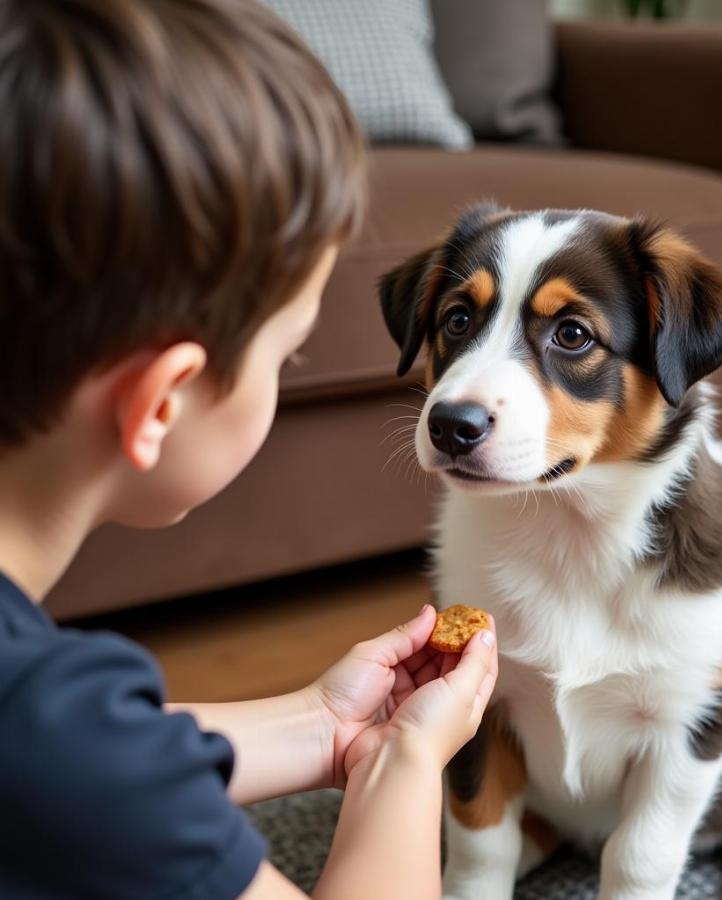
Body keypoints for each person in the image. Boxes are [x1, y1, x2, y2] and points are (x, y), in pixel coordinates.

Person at [0, 1, 498, 898]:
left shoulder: (48, 726)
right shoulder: (51, 733)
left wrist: (320, 722)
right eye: (287, 352)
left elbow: (91, 760)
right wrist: (407, 763)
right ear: (160, 403)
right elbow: (81, 764)